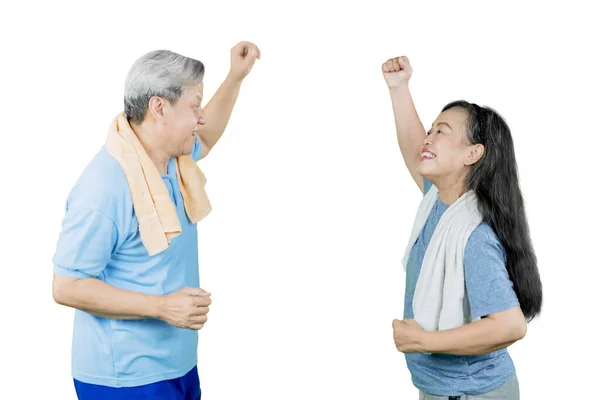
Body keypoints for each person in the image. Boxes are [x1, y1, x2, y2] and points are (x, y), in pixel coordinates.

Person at [52, 41, 260, 400]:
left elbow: (206, 137)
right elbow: (66, 286)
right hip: (125, 378)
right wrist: (162, 307)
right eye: (194, 106)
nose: (201, 117)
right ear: (159, 107)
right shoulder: (105, 186)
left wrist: (236, 76)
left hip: (176, 366)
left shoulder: (171, 161)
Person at [382, 56, 543, 399]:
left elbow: (511, 325)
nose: (428, 139)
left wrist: (424, 341)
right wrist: (399, 89)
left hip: (472, 394)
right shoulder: (439, 202)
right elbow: (415, 150)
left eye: (441, 132)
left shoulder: (473, 235)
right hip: (443, 390)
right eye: (430, 130)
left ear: (473, 154)